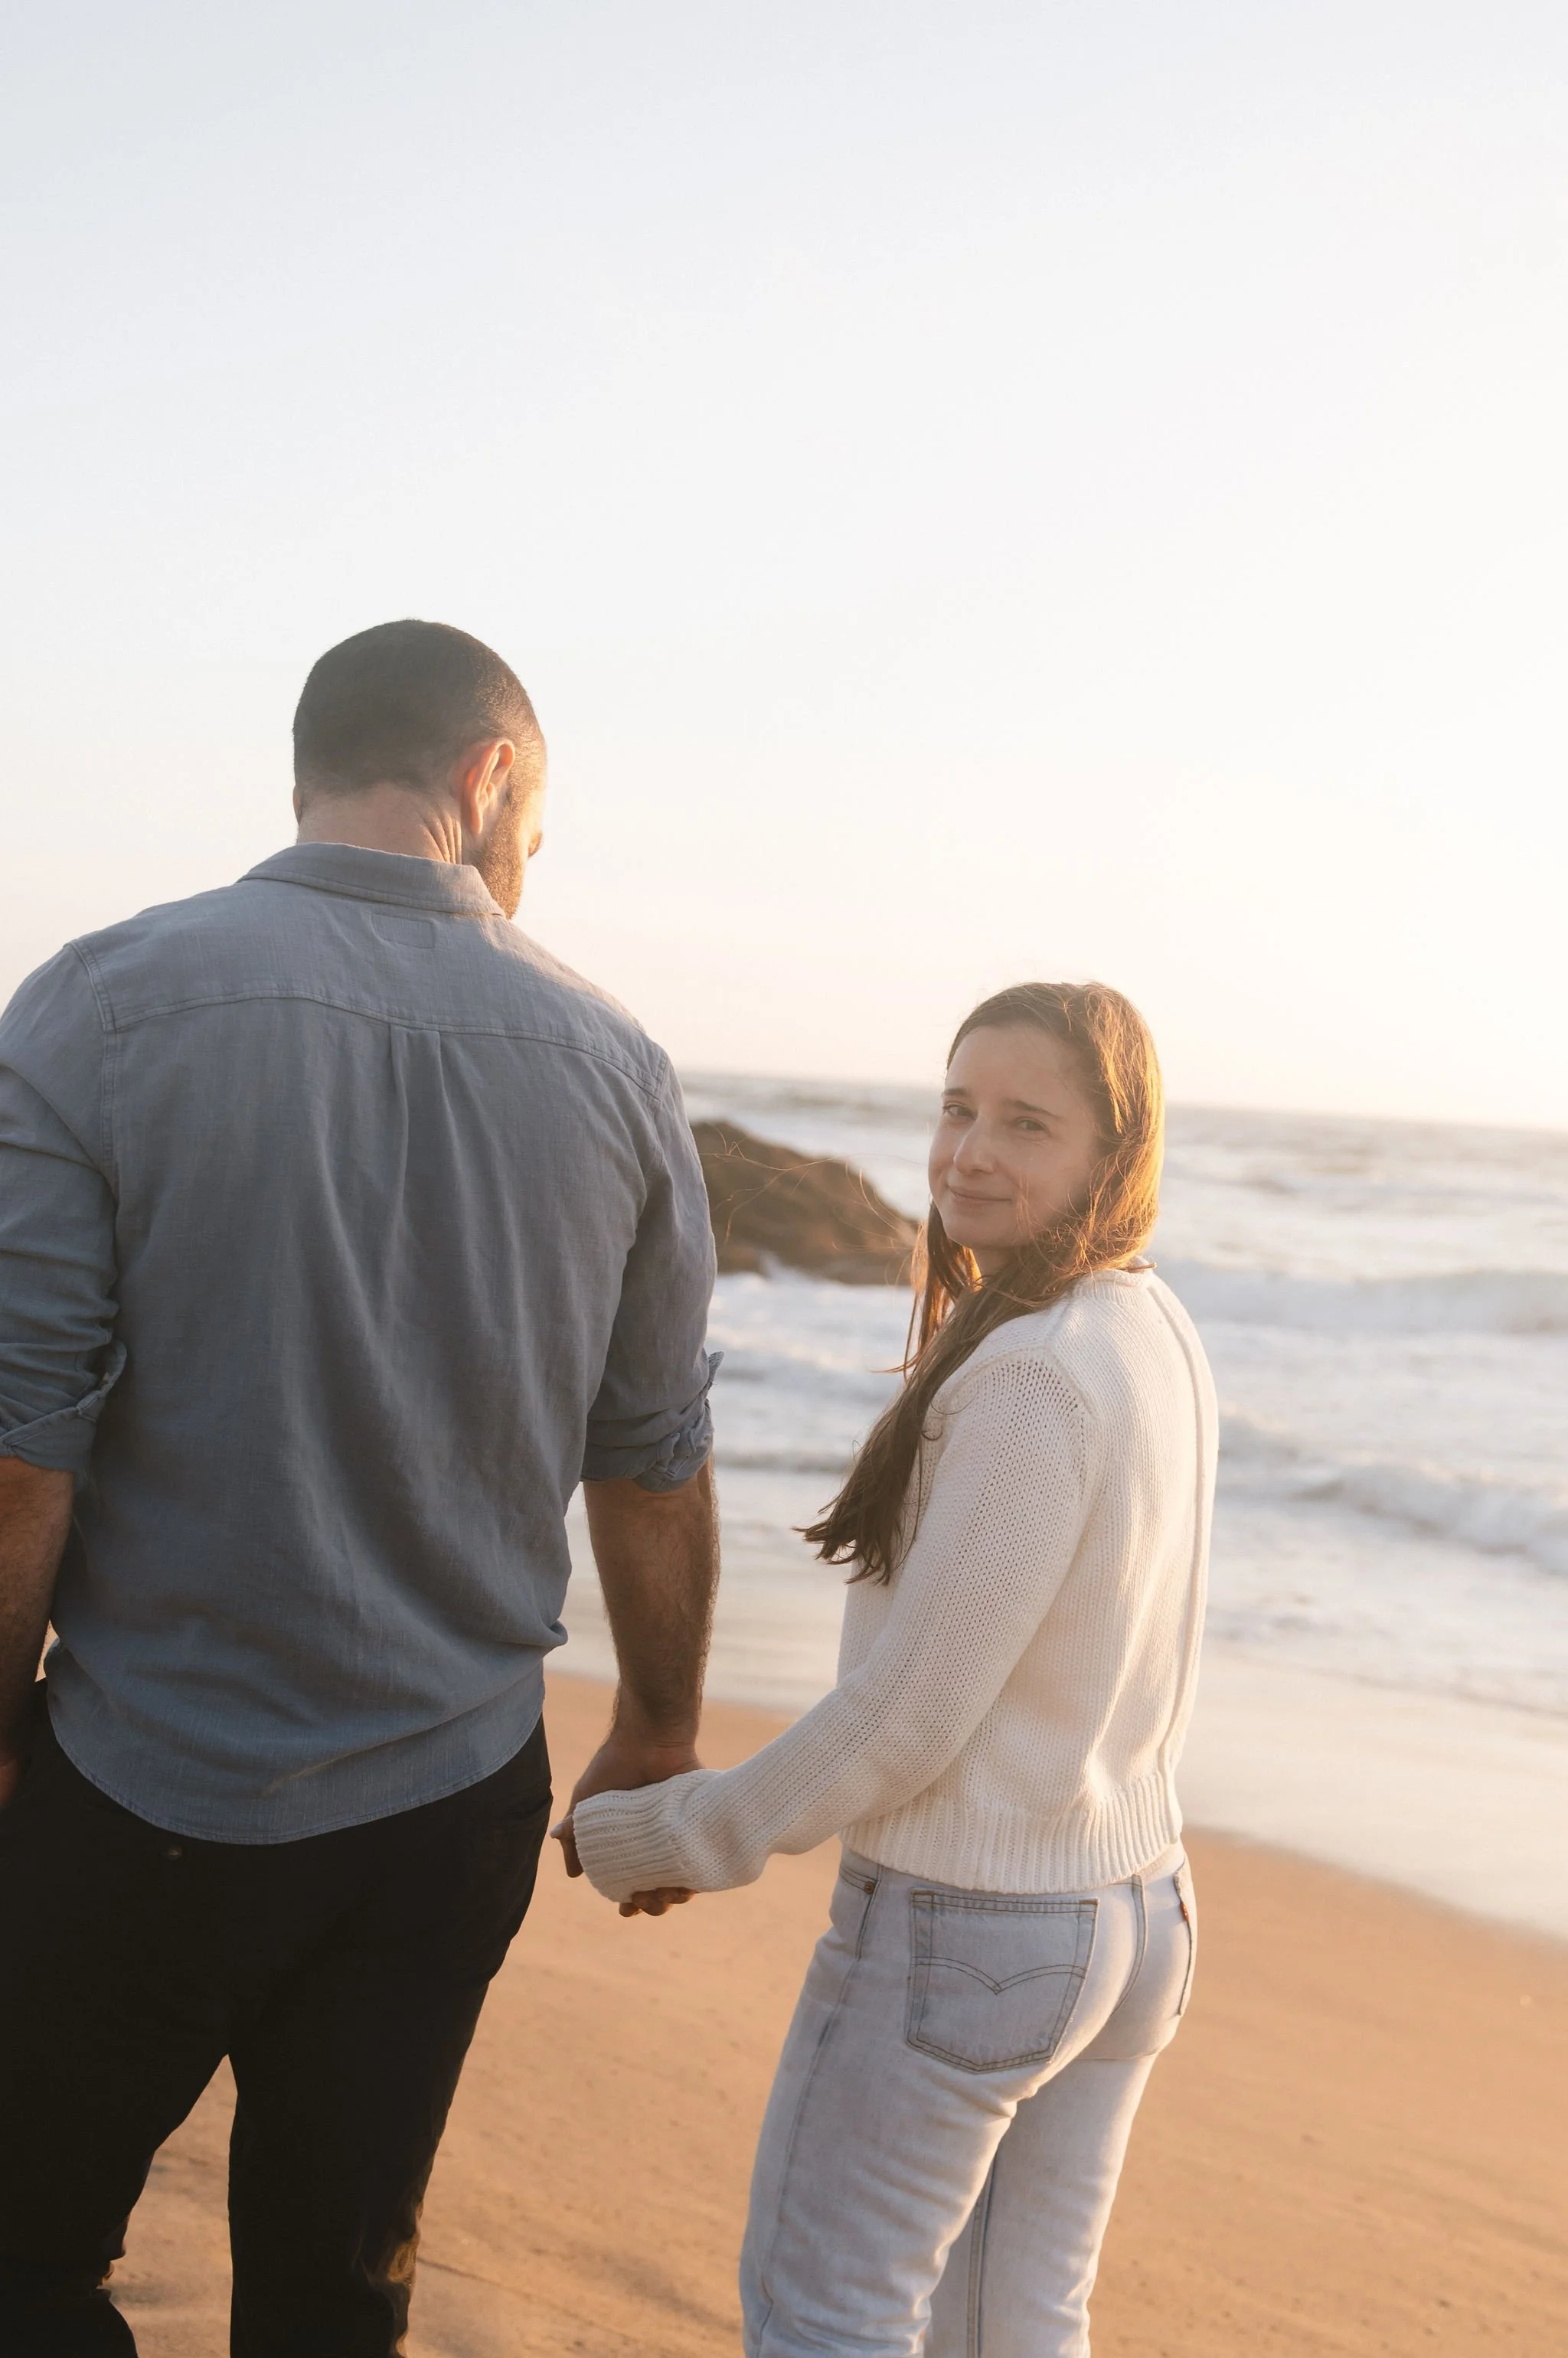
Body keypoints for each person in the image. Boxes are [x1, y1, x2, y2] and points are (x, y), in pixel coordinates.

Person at [0, 619, 720, 2357]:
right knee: (336, 2299)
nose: (526, 872)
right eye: (534, 832)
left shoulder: (97, 1002)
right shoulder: (618, 1064)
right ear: (486, 781)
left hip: (140, 1775)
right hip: (444, 1796)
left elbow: (25, 1445)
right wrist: (657, 1725)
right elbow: (649, 1462)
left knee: (20, 2259)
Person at [567, 981, 1217, 2358]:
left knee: (829, 2322)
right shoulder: (1150, 1326)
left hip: (974, 1931)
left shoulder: (1038, 1374)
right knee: (1012, 2328)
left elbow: (907, 1721)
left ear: (1116, 1155)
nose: (969, 1151)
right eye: (957, 1107)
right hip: (1131, 1916)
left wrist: (673, 1833)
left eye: (1026, 1124)